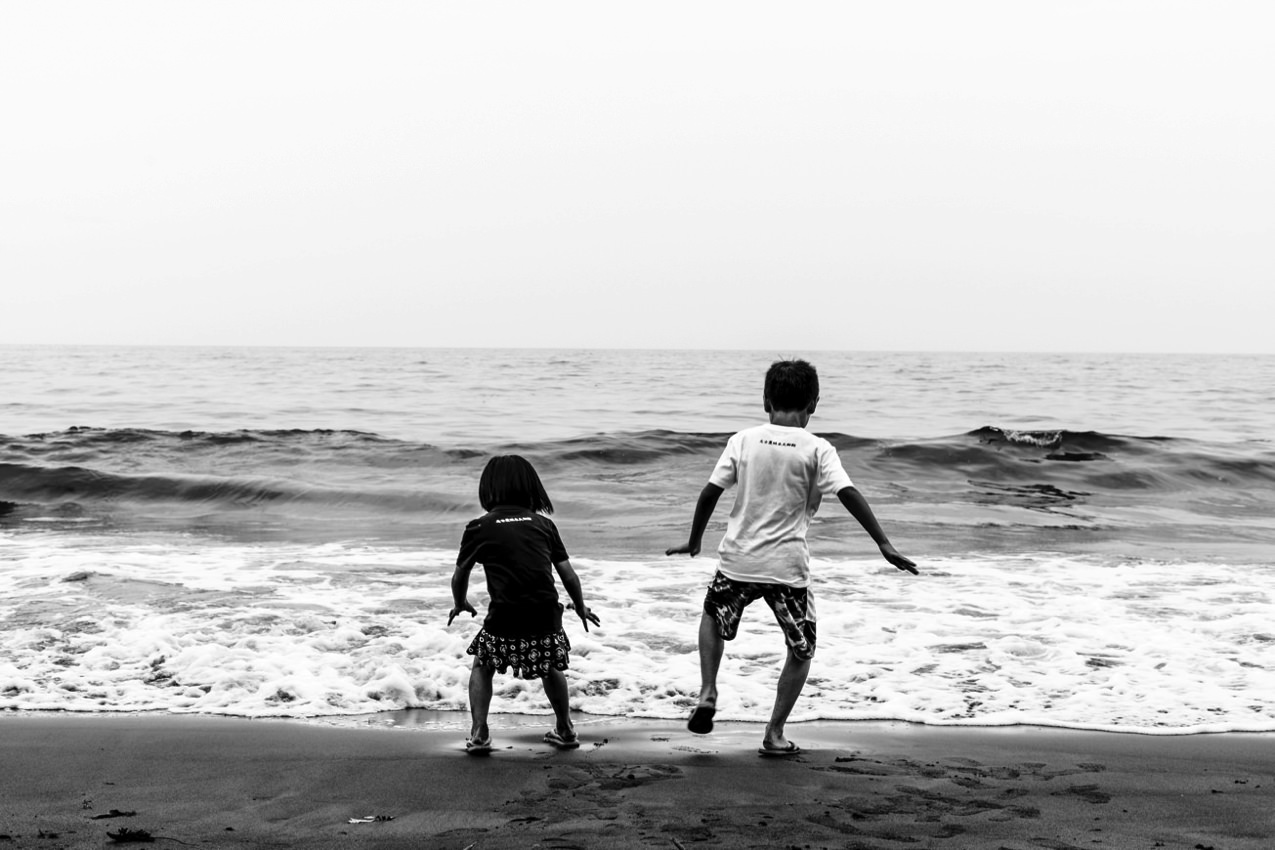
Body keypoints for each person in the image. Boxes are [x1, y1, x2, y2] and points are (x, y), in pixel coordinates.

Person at [666, 358, 917, 756]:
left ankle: (709, 691)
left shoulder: (743, 440)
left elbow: (710, 492)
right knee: (801, 649)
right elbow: (848, 493)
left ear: (766, 401)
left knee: (713, 615)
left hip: (738, 561)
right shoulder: (818, 448)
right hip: (787, 568)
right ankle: (775, 734)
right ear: (813, 404)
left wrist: (695, 540)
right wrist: (883, 544)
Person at [449, 455, 600, 755]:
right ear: (532, 488)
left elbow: (460, 575)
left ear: (489, 489)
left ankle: (479, 733)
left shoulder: (479, 527)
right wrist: (580, 606)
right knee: (550, 666)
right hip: (545, 614)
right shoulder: (544, 525)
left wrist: (460, 602)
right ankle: (565, 729)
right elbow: (568, 574)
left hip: (505, 614)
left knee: (482, 664)